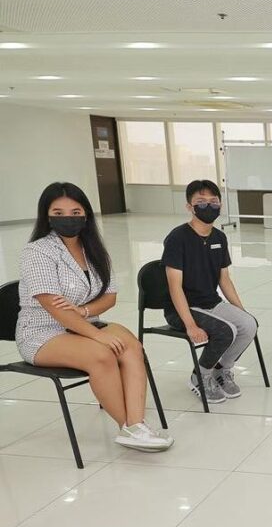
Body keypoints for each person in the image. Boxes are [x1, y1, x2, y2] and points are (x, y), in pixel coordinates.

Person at [16, 182, 172, 451]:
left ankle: (136, 424)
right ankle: (128, 427)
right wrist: (97, 335)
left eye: (75, 212)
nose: (68, 218)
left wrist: (85, 311)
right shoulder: (37, 251)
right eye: (59, 212)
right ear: (47, 215)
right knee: (102, 355)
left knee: (131, 346)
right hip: (41, 332)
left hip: (80, 324)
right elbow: (53, 306)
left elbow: (109, 297)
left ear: (86, 214)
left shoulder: (95, 250)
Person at [162, 179, 258, 404]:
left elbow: (224, 280)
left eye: (213, 201)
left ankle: (221, 370)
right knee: (225, 331)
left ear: (221, 204)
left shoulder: (219, 237)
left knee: (249, 324)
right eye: (201, 202)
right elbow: (174, 287)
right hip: (182, 308)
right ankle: (200, 376)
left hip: (211, 302)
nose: (208, 206)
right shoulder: (178, 238)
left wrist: (241, 311)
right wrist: (190, 324)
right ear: (189, 206)